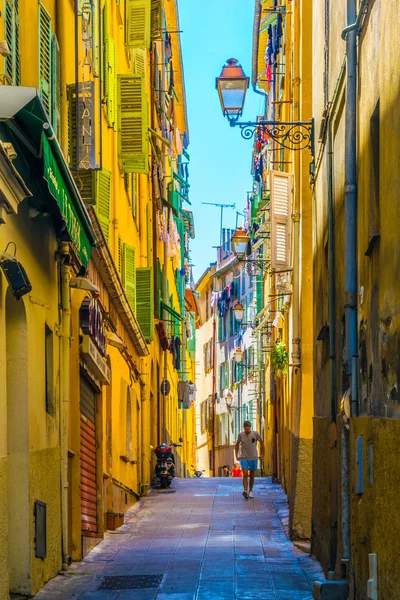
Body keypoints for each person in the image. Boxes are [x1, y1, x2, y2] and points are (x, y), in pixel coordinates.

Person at [234, 420, 264, 499]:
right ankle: (245, 490)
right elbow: (236, 445)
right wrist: (236, 455)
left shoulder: (255, 434)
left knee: (252, 475)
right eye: (245, 428)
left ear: (250, 427)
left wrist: (262, 454)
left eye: (248, 428)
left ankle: (250, 491)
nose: (246, 430)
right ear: (243, 427)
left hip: (254, 457)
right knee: (245, 473)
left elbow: (262, 443)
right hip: (244, 458)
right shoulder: (241, 435)